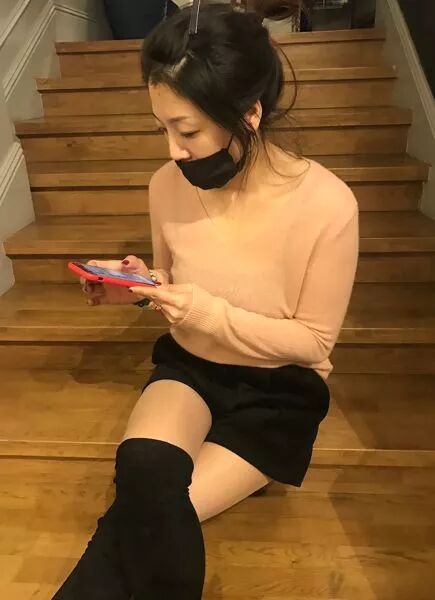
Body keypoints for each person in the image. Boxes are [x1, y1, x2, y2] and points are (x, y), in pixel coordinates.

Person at [54, 1, 359, 598]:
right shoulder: (166, 185)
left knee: (142, 517)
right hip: (191, 368)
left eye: (187, 131)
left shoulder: (328, 205)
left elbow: (313, 342)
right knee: (144, 474)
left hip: (277, 389)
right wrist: (138, 287)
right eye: (162, 129)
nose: (173, 150)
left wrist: (204, 311)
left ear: (249, 113)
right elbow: (172, 279)